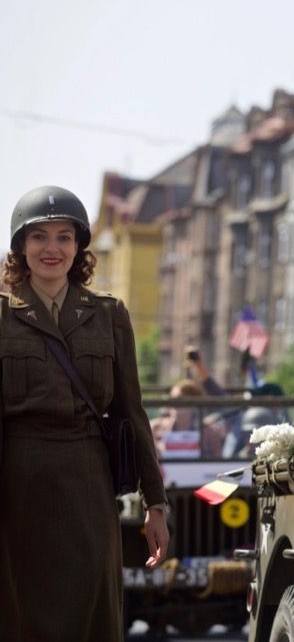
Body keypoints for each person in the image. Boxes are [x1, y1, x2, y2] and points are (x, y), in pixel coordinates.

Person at [0, 185, 169, 640]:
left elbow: (133, 412)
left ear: (79, 248)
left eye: (63, 237)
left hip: (88, 485)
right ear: (20, 247)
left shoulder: (109, 315)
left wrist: (155, 503)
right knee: (21, 609)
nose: (51, 249)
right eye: (38, 237)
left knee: (90, 609)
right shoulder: (2, 316)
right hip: (19, 486)